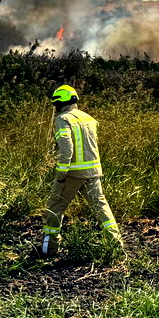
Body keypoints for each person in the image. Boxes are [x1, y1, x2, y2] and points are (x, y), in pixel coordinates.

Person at [41, 84, 122, 256]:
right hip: (93, 172)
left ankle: (49, 249)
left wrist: (61, 174)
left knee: (54, 207)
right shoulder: (89, 119)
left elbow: (66, 148)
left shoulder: (63, 119)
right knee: (101, 207)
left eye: (56, 104)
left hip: (72, 173)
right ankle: (116, 245)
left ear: (60, 103)